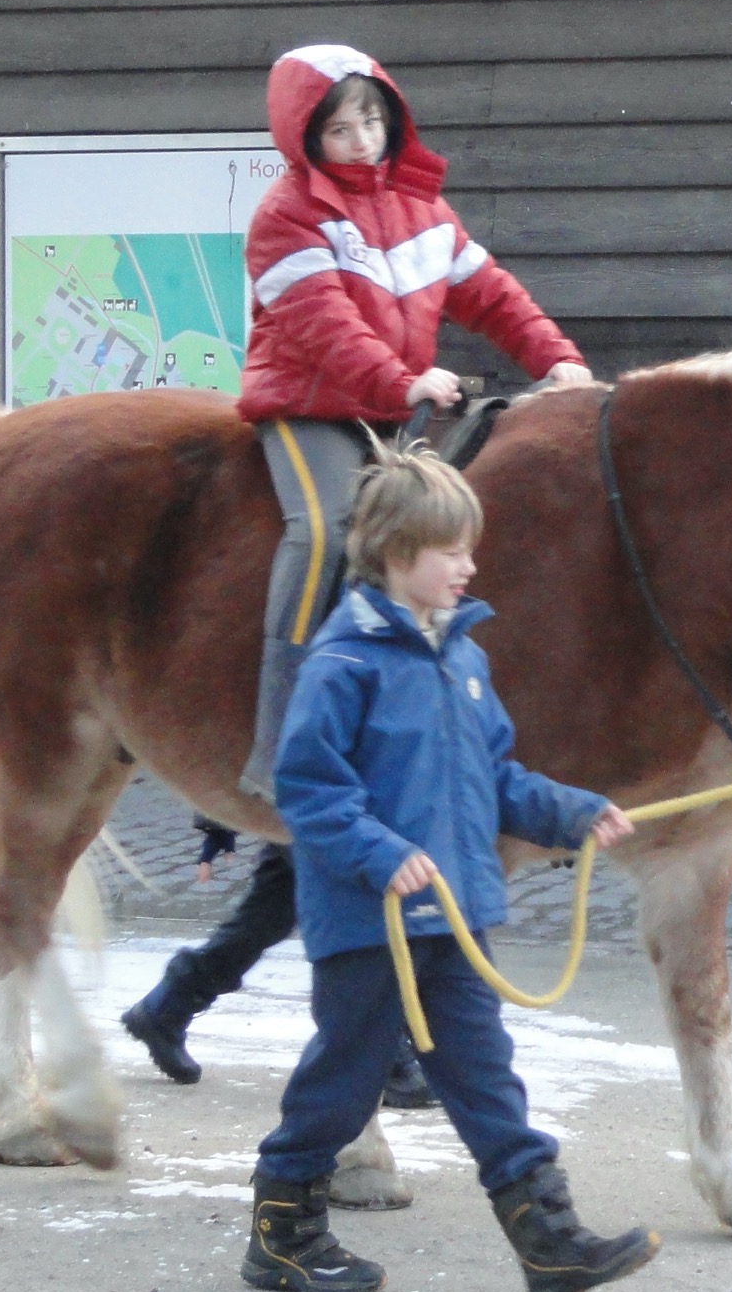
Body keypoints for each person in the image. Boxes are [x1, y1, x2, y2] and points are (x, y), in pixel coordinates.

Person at [243, 444, 656, 1292]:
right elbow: (307, 788)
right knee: (345, 1078)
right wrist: (381, 852)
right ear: (396, 554)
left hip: (456, 918)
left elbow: (496, 777)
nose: (469, 567)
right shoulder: (343, 664)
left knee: (485, 1074)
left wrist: (572, 811)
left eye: (471, 549)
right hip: (371, 925)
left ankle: (551, 1243)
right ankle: (283, 1228)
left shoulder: (461, 660)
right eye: (452, 551)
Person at [237, 43, 591, 802]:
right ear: (305, 139)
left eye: (372, 120)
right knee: (328, 531)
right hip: (311, 411)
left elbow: (492, 296)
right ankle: (284, 738)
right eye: (340, 130)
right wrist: (401, 383)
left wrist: (557, 360)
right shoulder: (285, 219)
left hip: (400, 409)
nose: (362, 140)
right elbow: (327, 332)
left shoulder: (424, 207)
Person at [119, 823, 437, 1111]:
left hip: (304, 800)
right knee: (350, 900)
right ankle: (384, 1055)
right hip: (320, 796)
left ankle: (168, 1004)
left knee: (273, 907)